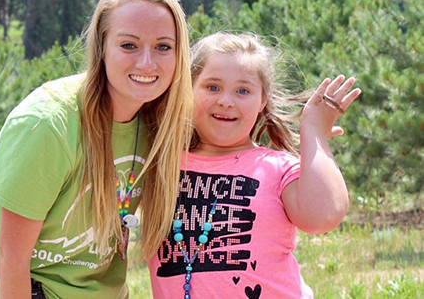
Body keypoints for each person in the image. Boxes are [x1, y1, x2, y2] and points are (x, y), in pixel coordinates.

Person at [0, 0, 192, 299]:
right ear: (102, 48)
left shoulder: (160, 124)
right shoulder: (48, 124)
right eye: (128, 45)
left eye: (163, 47)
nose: (147, 62)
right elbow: (10, 260)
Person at [147, 32, 361, 299]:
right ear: (187, 90)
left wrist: (314, 132)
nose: (226, 100)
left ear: (263, 101)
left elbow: (324, 215)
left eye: (243, 90)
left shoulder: (277, 167)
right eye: (212, 87)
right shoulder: (160, 162)